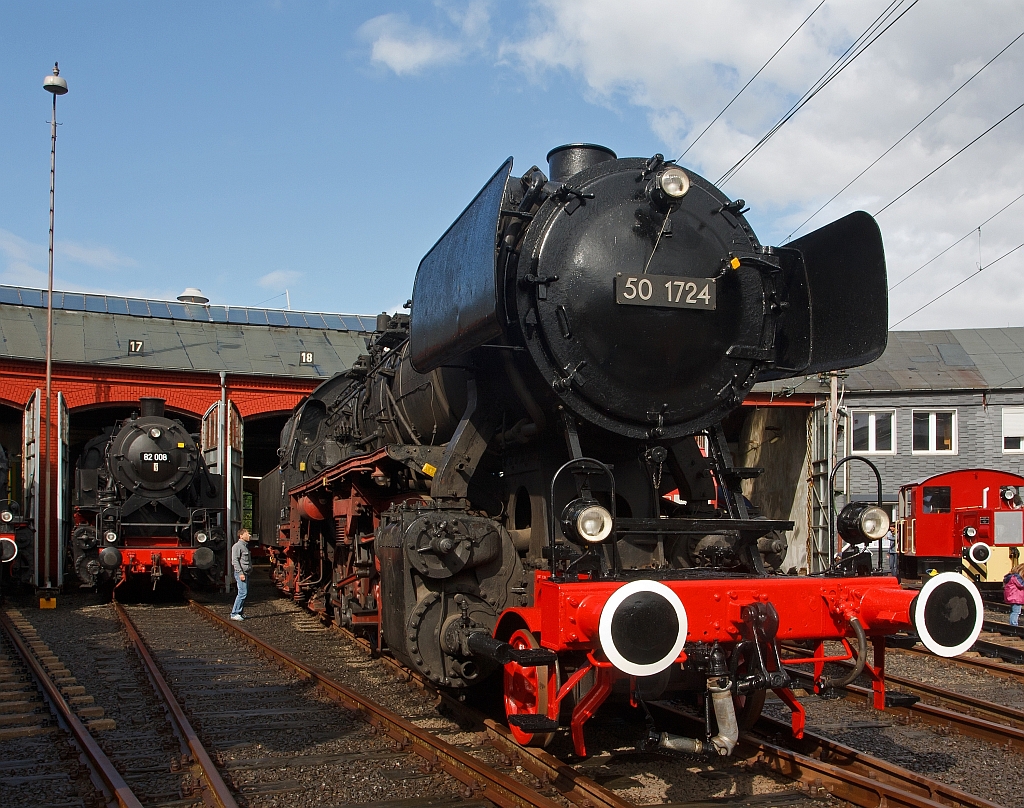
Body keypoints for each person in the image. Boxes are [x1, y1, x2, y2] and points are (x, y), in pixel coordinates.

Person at [230, 528, 253, 621]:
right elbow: (235, 561)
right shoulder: (237, 546)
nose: (249, 535)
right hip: (241, 573)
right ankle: (234, 613)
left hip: (246, 573)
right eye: (247, 533)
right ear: (241, 536)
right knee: (242, 593)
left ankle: (240, 612)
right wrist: (240, 573)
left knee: (244, 593)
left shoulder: (244, 546)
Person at [1003, 562, 1024, 627]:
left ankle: (1013, 624)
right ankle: (1013, 625)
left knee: (1015, 611)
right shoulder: (1016, 577)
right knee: (1016, 612)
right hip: (1016, 598)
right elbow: (1021, 585)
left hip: (1013, 597)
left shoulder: (1011, 577)